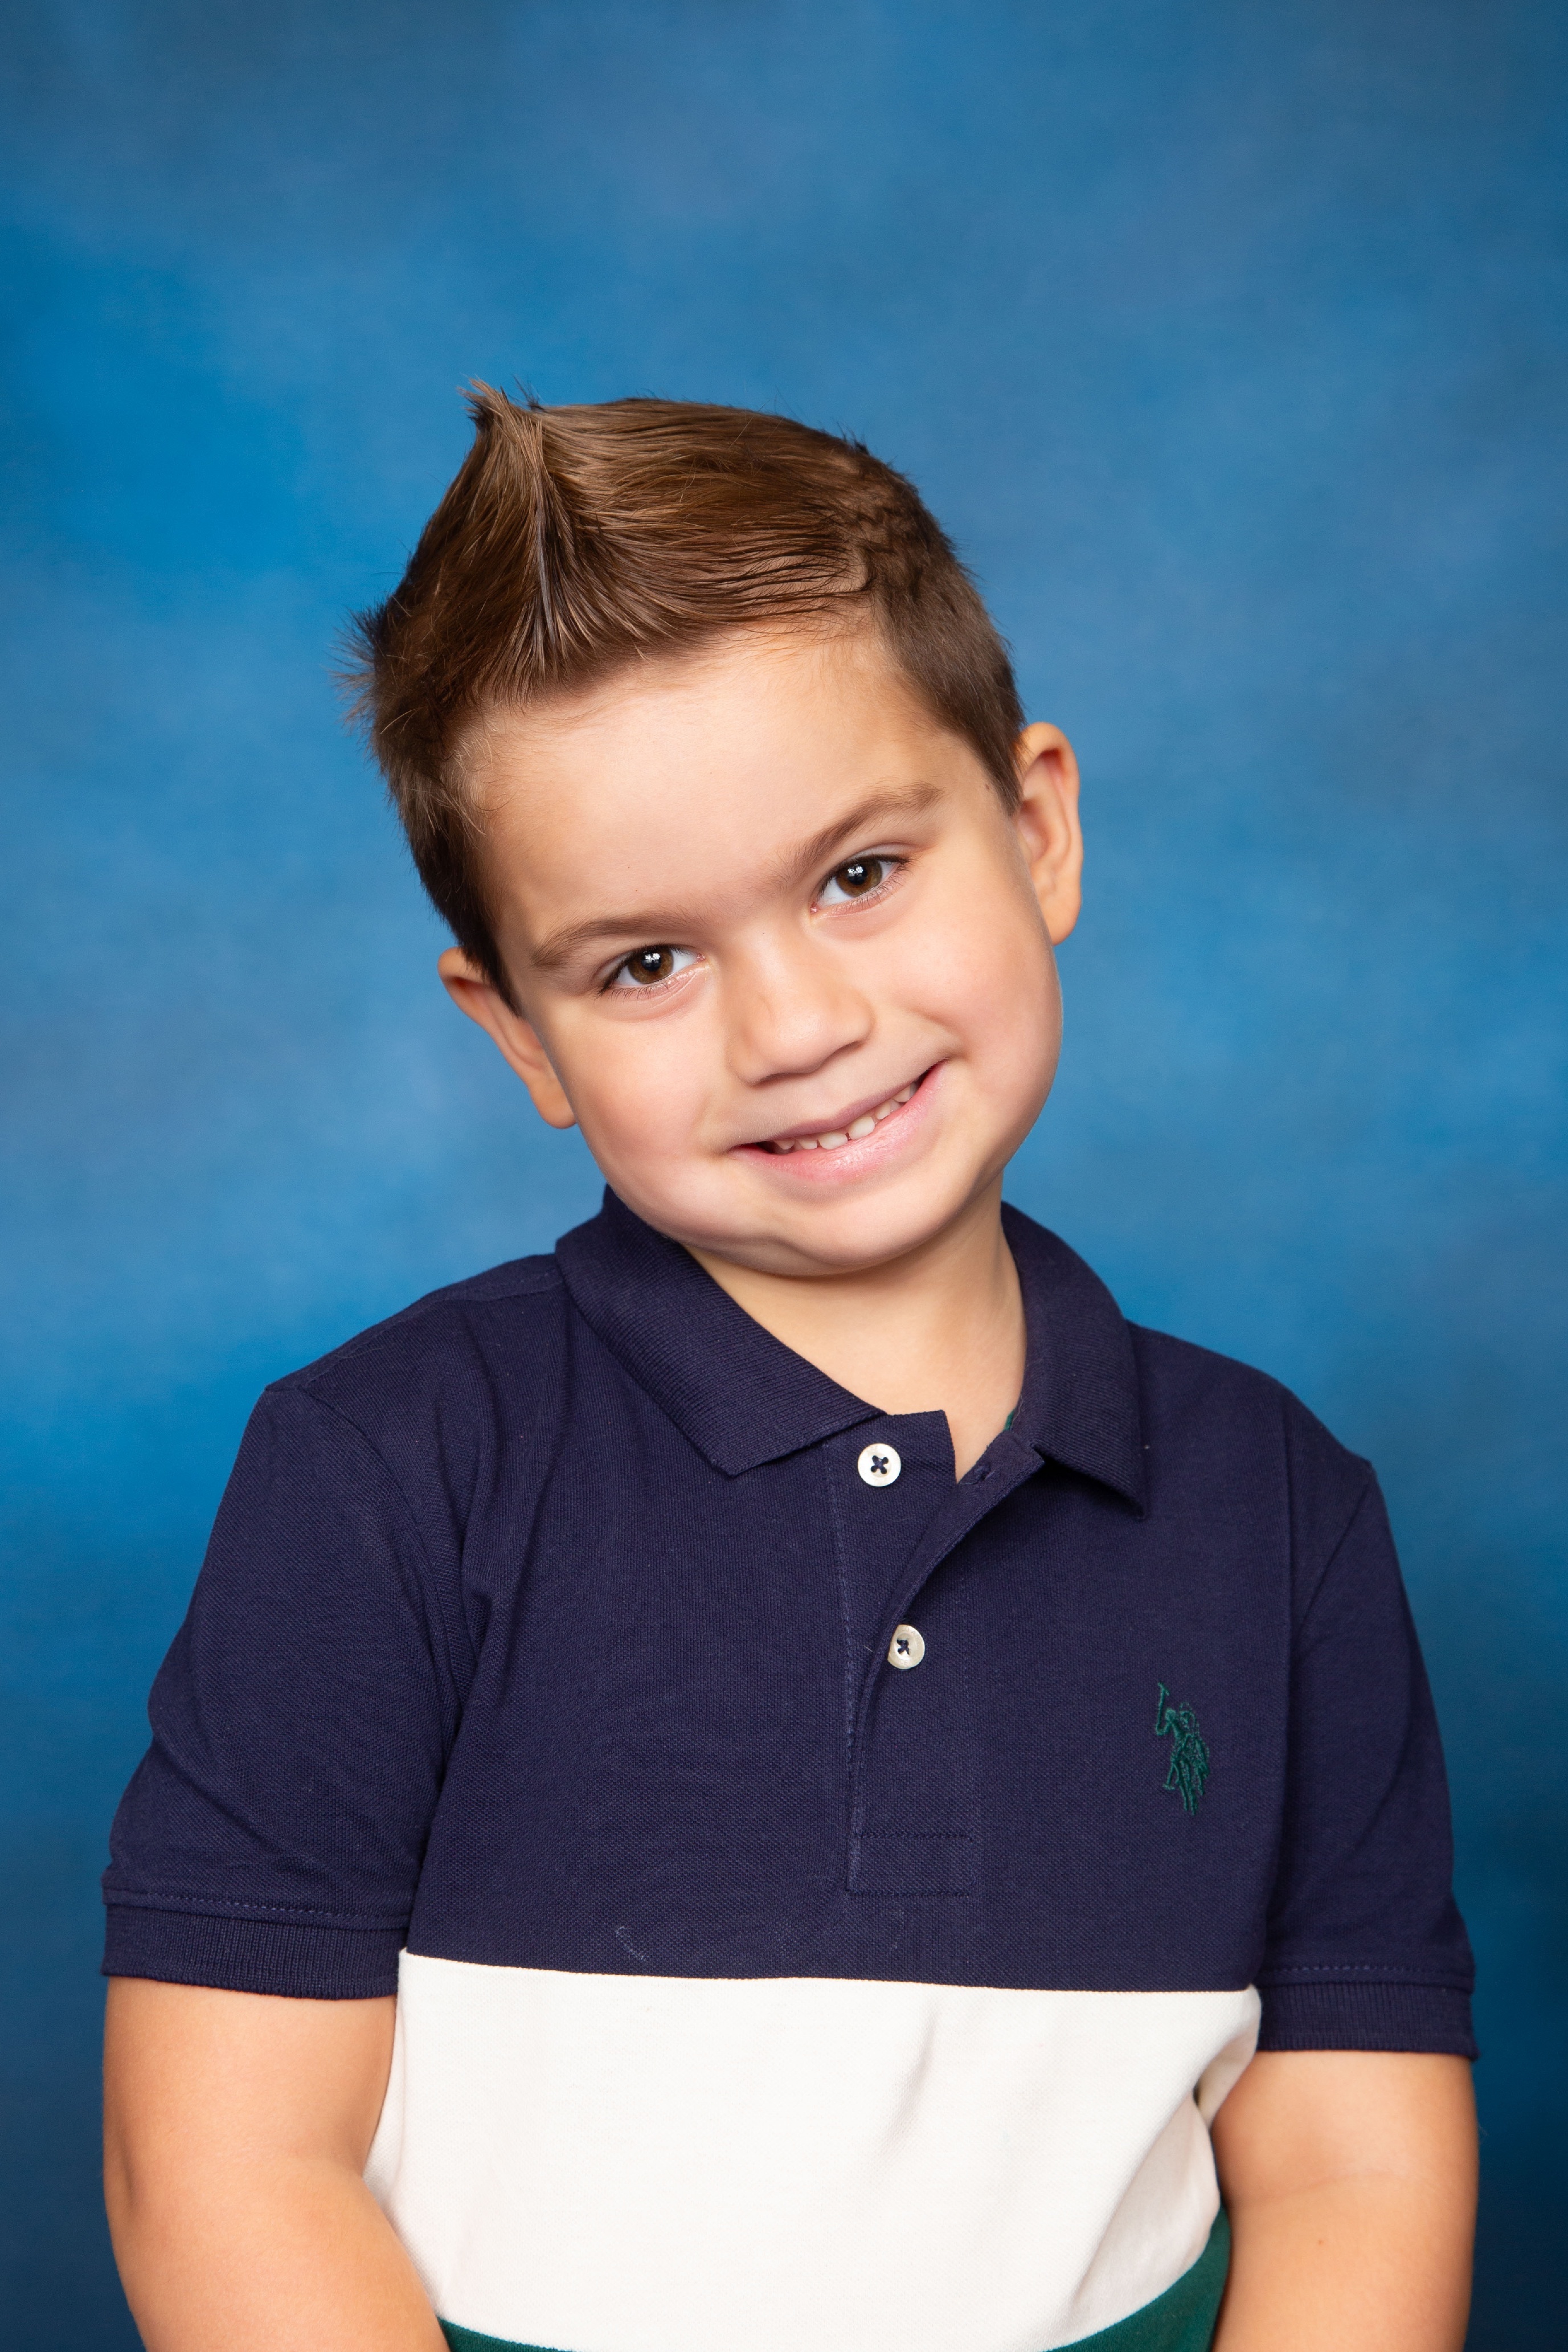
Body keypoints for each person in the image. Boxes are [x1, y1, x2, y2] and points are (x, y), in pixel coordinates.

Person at [101, 391, 1478, 2352]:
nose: (796, 1023)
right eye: (644, 963)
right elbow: (226, 2168)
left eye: (857, 874)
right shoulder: (386, 1463)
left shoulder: (1276, 1509)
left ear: (1036, 826)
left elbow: (1353, 2167)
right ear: (519, 1034)